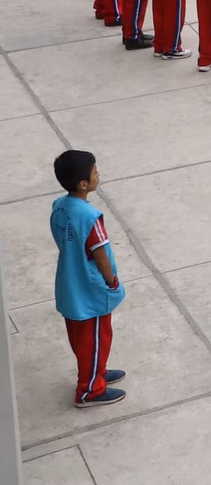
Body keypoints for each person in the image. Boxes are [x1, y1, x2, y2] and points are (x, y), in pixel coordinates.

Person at [50, 149, 128, 408]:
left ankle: (97, 370)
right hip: (90, 292)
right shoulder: (90, 216)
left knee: (84, 341)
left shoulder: (60, 207)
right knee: (96, 338)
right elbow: (101, 255)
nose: (98, 175)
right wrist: (111, 281)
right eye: (95, 172)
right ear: (83, 184)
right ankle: (90, 391)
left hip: (69, 287)